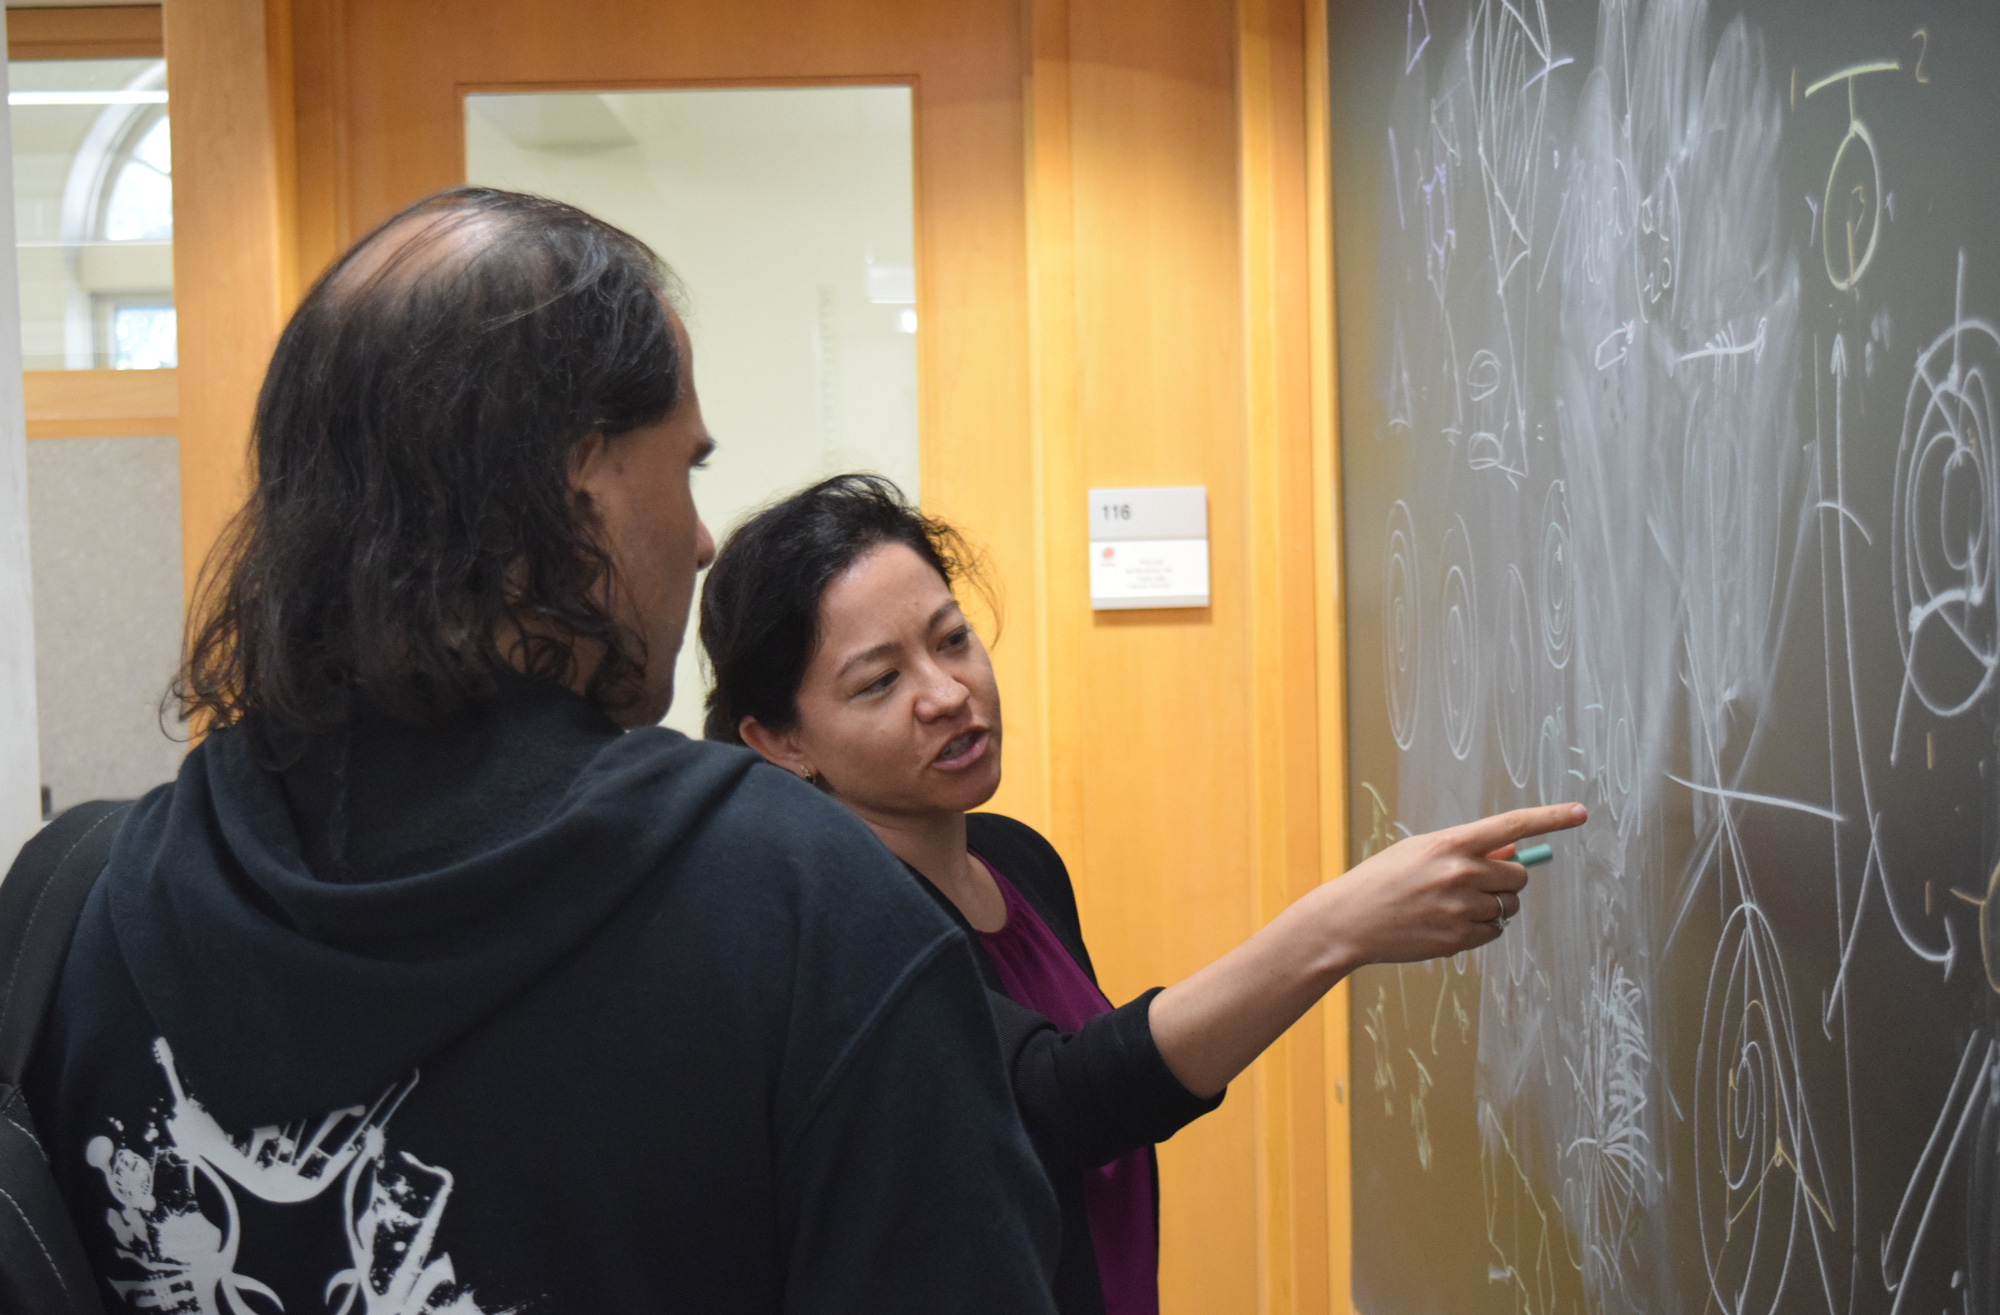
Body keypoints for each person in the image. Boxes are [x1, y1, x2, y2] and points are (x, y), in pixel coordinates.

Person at [25, 192, 1063, 1312]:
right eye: (687, 469)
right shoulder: (816, 915)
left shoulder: (65, 917)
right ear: (582, 497)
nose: (703, 537)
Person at [699, 474, 1587, 1315]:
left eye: (952, 637)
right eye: (880, 681)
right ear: (781, 740)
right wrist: (1337, 925)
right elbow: (1053, 1100)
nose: (947, 692)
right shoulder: (837, 924)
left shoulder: (1017, 862)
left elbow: (1101, 1114)